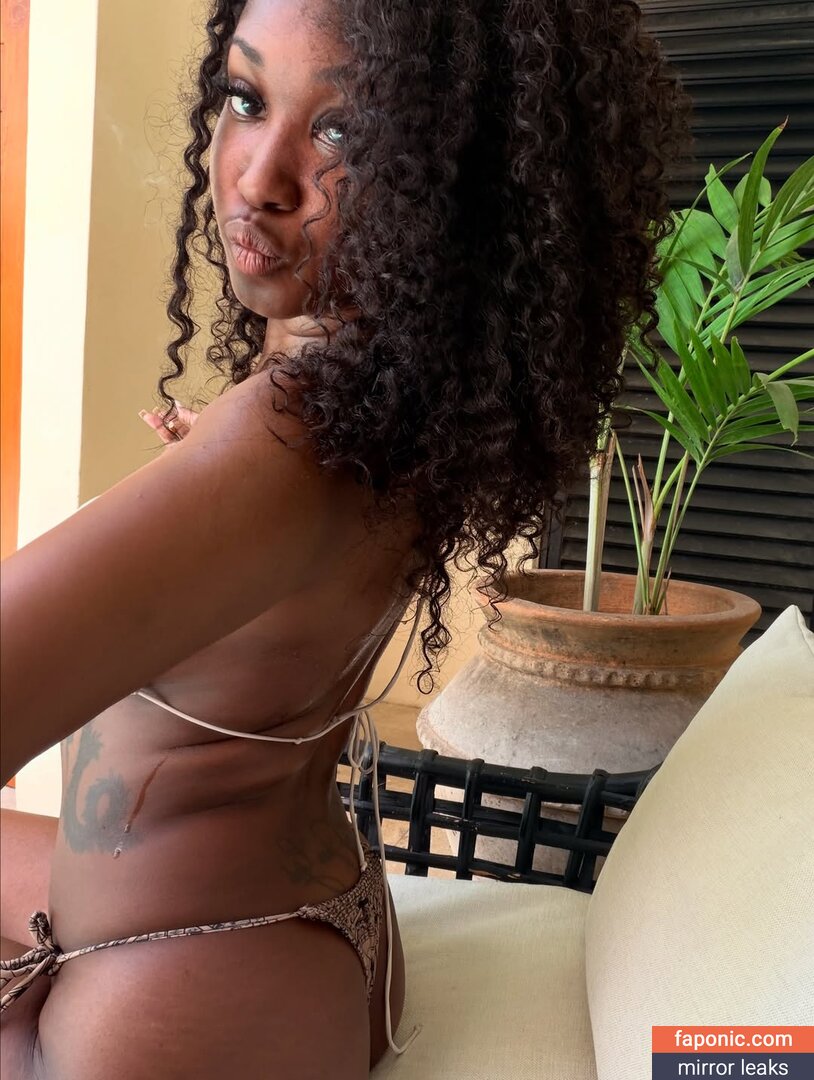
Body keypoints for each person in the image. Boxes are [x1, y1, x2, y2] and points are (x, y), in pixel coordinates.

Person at [0, 0, 694, 1075]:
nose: (258, 177)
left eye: (342, 132)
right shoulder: (387, 402)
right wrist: (209, 478)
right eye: (245, 99)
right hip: (320, 926)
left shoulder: (288, 441)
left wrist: (228, 473)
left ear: (454, 177)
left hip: (175, 988)